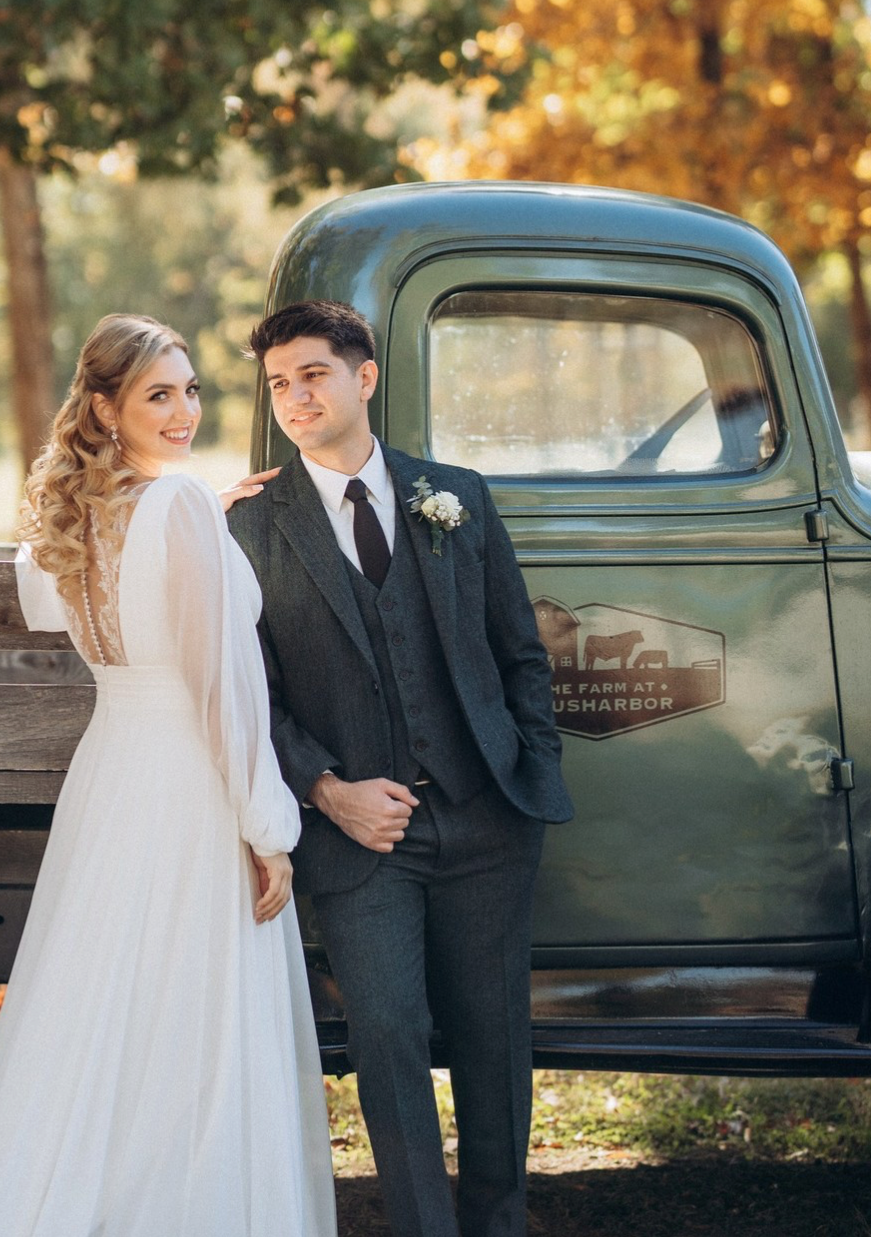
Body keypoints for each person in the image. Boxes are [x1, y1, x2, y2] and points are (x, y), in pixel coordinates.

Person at [0, 314, 335, 1237]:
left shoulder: (77, 520)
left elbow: (50, 592)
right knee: (189, 1016)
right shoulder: (175, 507)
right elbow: (220, 689)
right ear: (106, 407)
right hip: (188, 781)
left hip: (113, 776)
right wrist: (270, 826)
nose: (184, 410)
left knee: (104, 1003)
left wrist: (196, 520)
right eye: (159, 394)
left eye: (191, 390)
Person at [227, 300, 573, 1237]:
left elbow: (520, 654)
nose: (295, 398)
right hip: (361, 838)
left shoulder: (455, 493)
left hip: (487, 819)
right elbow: (250, 692)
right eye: (279, 384)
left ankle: (498, 1222)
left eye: (313, 375)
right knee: (385, 1039)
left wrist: (523, 777)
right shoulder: (251, 526)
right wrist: (330, 793)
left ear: (363, 377)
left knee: (495, 1038)